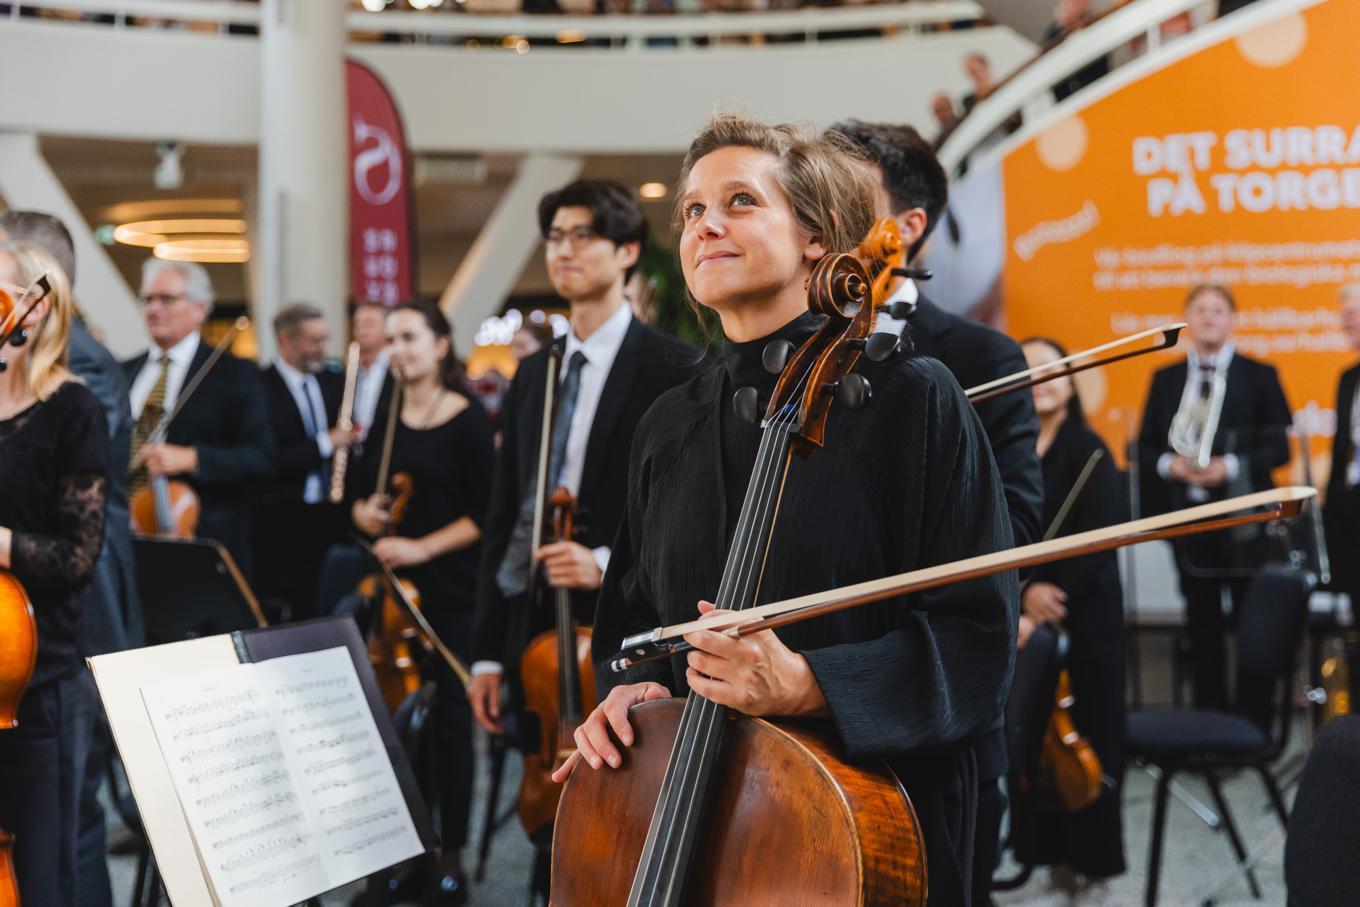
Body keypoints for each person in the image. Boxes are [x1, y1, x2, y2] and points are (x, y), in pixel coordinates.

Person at [558, 115, 1018, 907]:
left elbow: (976, 639)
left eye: (740, 201)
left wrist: (809, 682)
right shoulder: (668, 423)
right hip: (688, 818)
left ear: (817, 238)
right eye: (693, 210)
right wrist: (633, 690)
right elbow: (634, 624)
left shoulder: (911, 398)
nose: (706, 225)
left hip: (858, 832)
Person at [832, 118, 1043, 905]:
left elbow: (1015, 528)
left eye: (843, 193)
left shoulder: (981, 358)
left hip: (928, 717)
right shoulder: (784, 354)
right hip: (791, 725)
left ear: (909, 225)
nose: (817, 210)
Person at [468, 180, 699, 739]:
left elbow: (683, 512)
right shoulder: (534, 372)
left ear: (627, 251)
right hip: (534, 612)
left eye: (583, 236)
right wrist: (488, 653)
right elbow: (507, 509)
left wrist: (602, 560)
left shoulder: (675, 366)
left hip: (623, 618)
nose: (563, 251)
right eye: (554, 237)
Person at [0, 210, 136, 907]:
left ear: (33, 305)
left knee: (50, 855)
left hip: (42, 661)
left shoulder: (75, 400)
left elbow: (80, 549)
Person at [346, 301, 494, 904]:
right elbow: (360, 497)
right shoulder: (386, 417)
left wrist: (420, 547)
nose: (398, 350)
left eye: (410, 337)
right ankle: (405, 852)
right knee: (397, 728)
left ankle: (449, 854)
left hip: (451, 593)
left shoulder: (467, 419)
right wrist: (364, 513)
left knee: (452, 726)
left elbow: (485, 515)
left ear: (440, 345)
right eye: (392, 340)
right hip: (393, 602)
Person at [1137, 283, 1291, 710]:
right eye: (1200, 309)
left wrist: (1232, 466)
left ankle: (1252, 721)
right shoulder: (1165, 379)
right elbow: (1143, 447)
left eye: (1218, 309)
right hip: (1189, 518)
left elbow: (1280, 447)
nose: (1208, 317)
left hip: (1245, 522)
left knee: (1252, 622)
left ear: (1232, 320)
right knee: (1200, 624)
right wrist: (1171, 465)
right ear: (1187, 318)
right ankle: (1208, 721)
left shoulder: (1260, 374)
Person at [1016, 337, 1127, 896]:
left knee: (1090, 732)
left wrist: (1044, 594)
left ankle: (1093, 859)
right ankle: (1042, 854)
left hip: (1084, 619)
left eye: (1052, 370)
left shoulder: (1091, 451)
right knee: (1034, 737)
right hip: (1023, 621)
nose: (1041, 379)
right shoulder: (1007, 449)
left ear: (1070, 383)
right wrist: (1021, 595)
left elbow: (1098, 541)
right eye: (1029, 370)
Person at [122, 258, 274, 577]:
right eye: (147, 299)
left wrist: (192, 458)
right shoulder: (124, 371)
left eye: (167, 299)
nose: (153, 309)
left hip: (196, 540)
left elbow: (262, 458)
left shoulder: (235, 373)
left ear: (199, 308)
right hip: (123, 538)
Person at [254, 303, 354, 621]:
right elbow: (268, 459)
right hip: (283, 517)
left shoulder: (333, 382)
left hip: (330, 513)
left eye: (325, 339)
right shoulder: (260, 387)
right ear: (285, 340)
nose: (322, 348)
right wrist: (327, 442)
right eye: (314, 341)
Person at [1325, 284, 1360, 611]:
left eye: (1353, 314)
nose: (1346, 322)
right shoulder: (1348, 378)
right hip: (1349, 507)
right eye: (1344, 315)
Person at [351, 299, 393, 446]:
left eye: (369, 324)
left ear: (387, 327)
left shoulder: (396, 367)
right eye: (357, 324)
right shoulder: (352, 369)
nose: (362, 331)